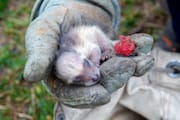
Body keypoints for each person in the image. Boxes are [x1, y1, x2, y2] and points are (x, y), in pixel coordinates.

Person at [24, 0, 180, 120]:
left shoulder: (87, 50)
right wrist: (86, 3)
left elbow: (93, 46)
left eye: (86, 64)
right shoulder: (73, 59)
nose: (93, 76)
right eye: (79, 79)